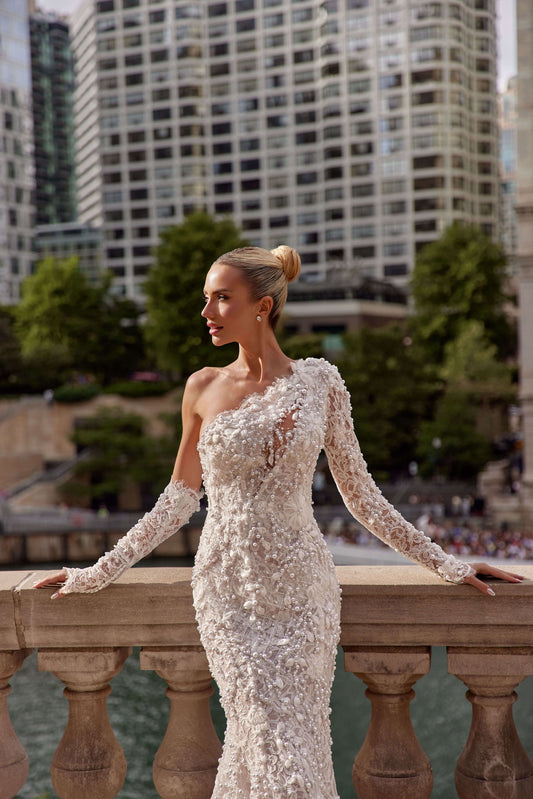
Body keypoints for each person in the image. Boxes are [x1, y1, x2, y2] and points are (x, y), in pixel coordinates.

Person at [35, 245, 523, 798]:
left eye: (222, 298)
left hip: (301, 594)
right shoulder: (201, 387)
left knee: (294, 740)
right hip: (228, 592)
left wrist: (446, 563)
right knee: (259, 731)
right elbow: (178, 499)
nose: (207, 311)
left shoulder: (320, 384)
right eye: (205, 298)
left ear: (263, 305)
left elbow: (360, 495)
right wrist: (98, 570)